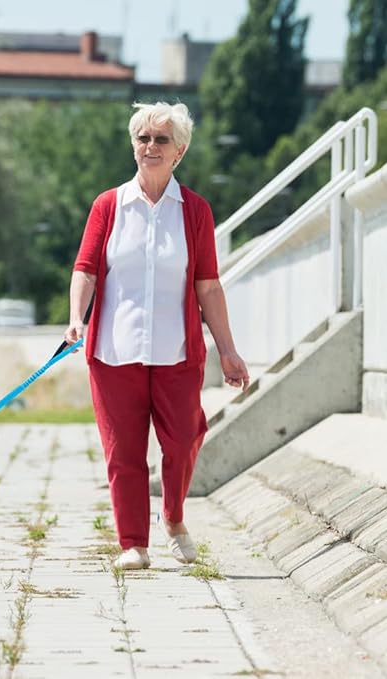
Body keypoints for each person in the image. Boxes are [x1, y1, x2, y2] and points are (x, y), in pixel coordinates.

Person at [64, 101, 249, 570]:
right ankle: (133, 544)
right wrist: (75, 317)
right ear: (133, 145)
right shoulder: (109, 206)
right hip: (112, 351)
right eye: (143, 138)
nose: (150, 146)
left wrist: (227, 351)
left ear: (179, 151)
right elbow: (85, 268)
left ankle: (173, 516)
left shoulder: (195, 212)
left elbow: (207, 285)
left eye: (160, 139)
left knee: (186, 436)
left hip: (178, 352)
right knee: (123, 451)